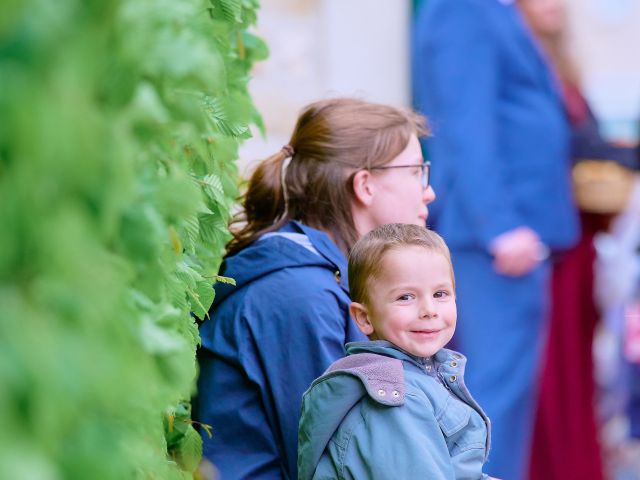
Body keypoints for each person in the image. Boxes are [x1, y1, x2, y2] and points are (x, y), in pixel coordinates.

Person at [196, 98, 436, 479]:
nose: (429, 192)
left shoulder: (323, 278)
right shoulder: (298, 294)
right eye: (416, 172)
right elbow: (336, 462)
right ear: (365, 185)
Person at [411, 1, 579, 478]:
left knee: (505, 391)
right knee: (493, 392)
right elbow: (465, 124)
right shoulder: (463, 9)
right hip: (494, 239)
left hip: (508, 233)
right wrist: (499, 225)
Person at [516, 1, 638, 478]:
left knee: (575, 365)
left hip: (578, 235)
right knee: (550, 366)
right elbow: (569, 147)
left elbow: (584, 140)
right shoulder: (521, 58)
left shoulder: (561, 64)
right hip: (554, 242)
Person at [298, 223, 492, 480]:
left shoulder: (424, 376)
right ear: (364, 317)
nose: (429, 310)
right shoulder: (396, 399)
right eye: (405, 297)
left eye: (440, 293)